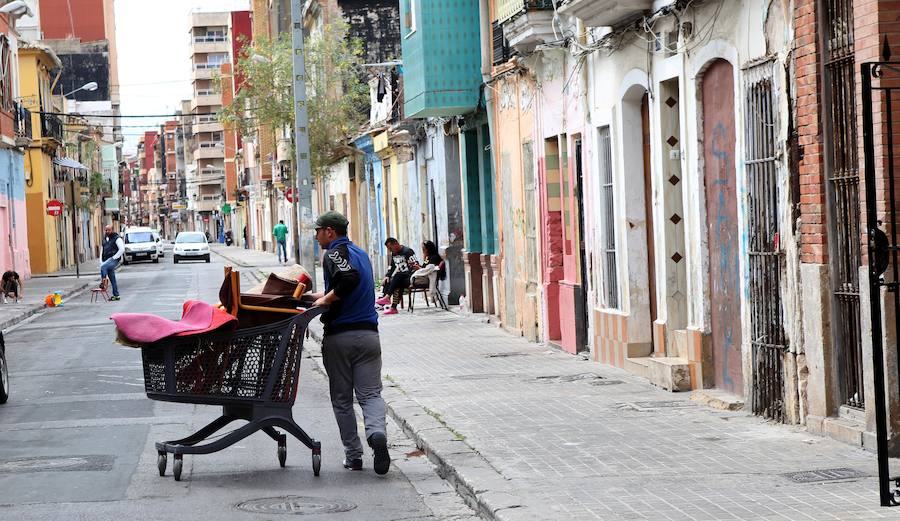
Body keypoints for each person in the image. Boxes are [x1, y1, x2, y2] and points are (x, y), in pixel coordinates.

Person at [309, 211, 390, 475]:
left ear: (330, 231)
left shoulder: (333, 253)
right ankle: (377, 433)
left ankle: (354, 456)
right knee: (370, 394)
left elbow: (348, 280)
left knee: (343, 400)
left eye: (318, 231)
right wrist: (318, 296)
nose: (317, 236)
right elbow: (351, 283)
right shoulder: (362, 254)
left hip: (340, 338)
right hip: (369, 336)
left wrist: (326, 301)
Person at [375, 238, 420, 315]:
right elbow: (392, 266)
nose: (390, 250)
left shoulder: (408, 251)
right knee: (389, 280)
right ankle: (390, 305)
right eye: (388, 249)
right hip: (401, 278)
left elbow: (415, 266)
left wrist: (409, 270)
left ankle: (388, 300)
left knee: (397, 276)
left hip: (410, 276)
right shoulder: (394, 253)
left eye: (390, 248)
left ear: (396, 244)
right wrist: (387, 276)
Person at [100, 224, 125, 301]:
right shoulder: (104, 239)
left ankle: (103, 283)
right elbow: (102, 251)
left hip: (113, 259)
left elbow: (122, 249)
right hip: (106, 260)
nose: (107, 231)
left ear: (112, 230)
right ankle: (116, 295)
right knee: (112, 278)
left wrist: (115, 257)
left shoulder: (117, 238)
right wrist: (101, 261)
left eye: (109, 230)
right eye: (106, 230)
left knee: (103, 267)